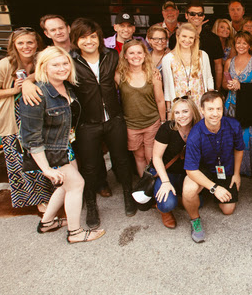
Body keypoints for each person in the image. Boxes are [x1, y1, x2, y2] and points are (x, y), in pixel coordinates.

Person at [19, 46, 105, 243]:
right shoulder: (37, 94)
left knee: (66, 186)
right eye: (55, 64)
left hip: (65, 147)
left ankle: (47, 222)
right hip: (50, 152)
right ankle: (75, 233)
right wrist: (47, 169)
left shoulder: (66, 86)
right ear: (44, 67)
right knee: (77, 184)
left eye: (65, 63)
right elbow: (31, 138)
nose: (62, 68)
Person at [69, 18, 136, 228]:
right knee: (89, 166)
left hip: (114, 118)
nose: (89, 41)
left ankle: (128, 194)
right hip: (87, 123)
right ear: (76, 40)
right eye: (83, 37)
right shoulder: (70, 61)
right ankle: (91, 204)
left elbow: (124, 78)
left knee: (122, 159)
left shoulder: (111, 55)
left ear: (99, 38)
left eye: (92, 36)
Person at [0, 27, 51, 210]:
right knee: (22, 161)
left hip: (38, 115)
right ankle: (38, 200)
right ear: (13, 45)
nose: (26, 46)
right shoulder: (5, 64)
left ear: (37, 43)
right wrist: (13, 90)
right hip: (14, 118)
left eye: (30, 42)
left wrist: (29, 79)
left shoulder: (41, 61)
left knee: (42, 156)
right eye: (20, 43)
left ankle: (51, 194)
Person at [182, 91, 244, 243]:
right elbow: (191, 169)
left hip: (225, 168)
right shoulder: (195, 134)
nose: (215, 114)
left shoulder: (233, 125)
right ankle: (195, 220)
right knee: (189, 191)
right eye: (210, 109)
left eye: (218, 109)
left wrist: (236, 174)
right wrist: (214, 188)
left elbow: (239, 149)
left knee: (228, 210)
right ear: (202, 110)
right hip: (203, 171)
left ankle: (205, 194)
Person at [115, 39, 165, 177]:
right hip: (131, 125)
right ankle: (145, 189)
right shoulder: (119, 75)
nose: (135, 56)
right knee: (139, 157)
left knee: (151, 158)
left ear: (144, 55)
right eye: (131, 53)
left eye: (139, 52)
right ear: (125, 55)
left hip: (151, 122)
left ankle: (157, 190)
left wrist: (163, 121)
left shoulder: (152, 74)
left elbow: (160, 100)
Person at [151, 96, 202, 229]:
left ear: (193, 112)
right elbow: (156, 157)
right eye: (177, 113)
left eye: (185, 111)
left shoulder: (199, 128)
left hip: (186, 174)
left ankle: (179, 197)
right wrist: (166, 182)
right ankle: (163, 209)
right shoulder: (167, 129)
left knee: (199, 202)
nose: (181, 116)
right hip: (166, 172)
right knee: (168, 203)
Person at [223, 31, 252, 176]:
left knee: (245, 136)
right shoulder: (229, 62)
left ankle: (247, 169)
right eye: (238, 43)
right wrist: (228, 85)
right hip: (230, 104)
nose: (241, 46)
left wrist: (241, 86)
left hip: (247, 106)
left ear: (249, 45)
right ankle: (232, 170)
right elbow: (223, 83)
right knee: (230, 135)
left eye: (244, 43)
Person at [162, 22, 214, 111]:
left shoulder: (202, 55)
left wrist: (211, 100)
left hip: (200, 103)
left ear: (195, 39)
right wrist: (169, 110)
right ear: (178, 36)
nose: (187, 40)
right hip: (179, 105)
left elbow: (209, 78)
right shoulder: (168, 59)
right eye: (184, 36)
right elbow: (167, 87)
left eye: (191, 37)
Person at [183, 0, 224, 90]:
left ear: (203, 16)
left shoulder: (213, 39)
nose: (196, 16)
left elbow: (218, 66)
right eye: (192, 14)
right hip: (183, 87)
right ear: (186, 15)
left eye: (200, 14)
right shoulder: (177, 38)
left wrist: (217, 90)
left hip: (207, 87)